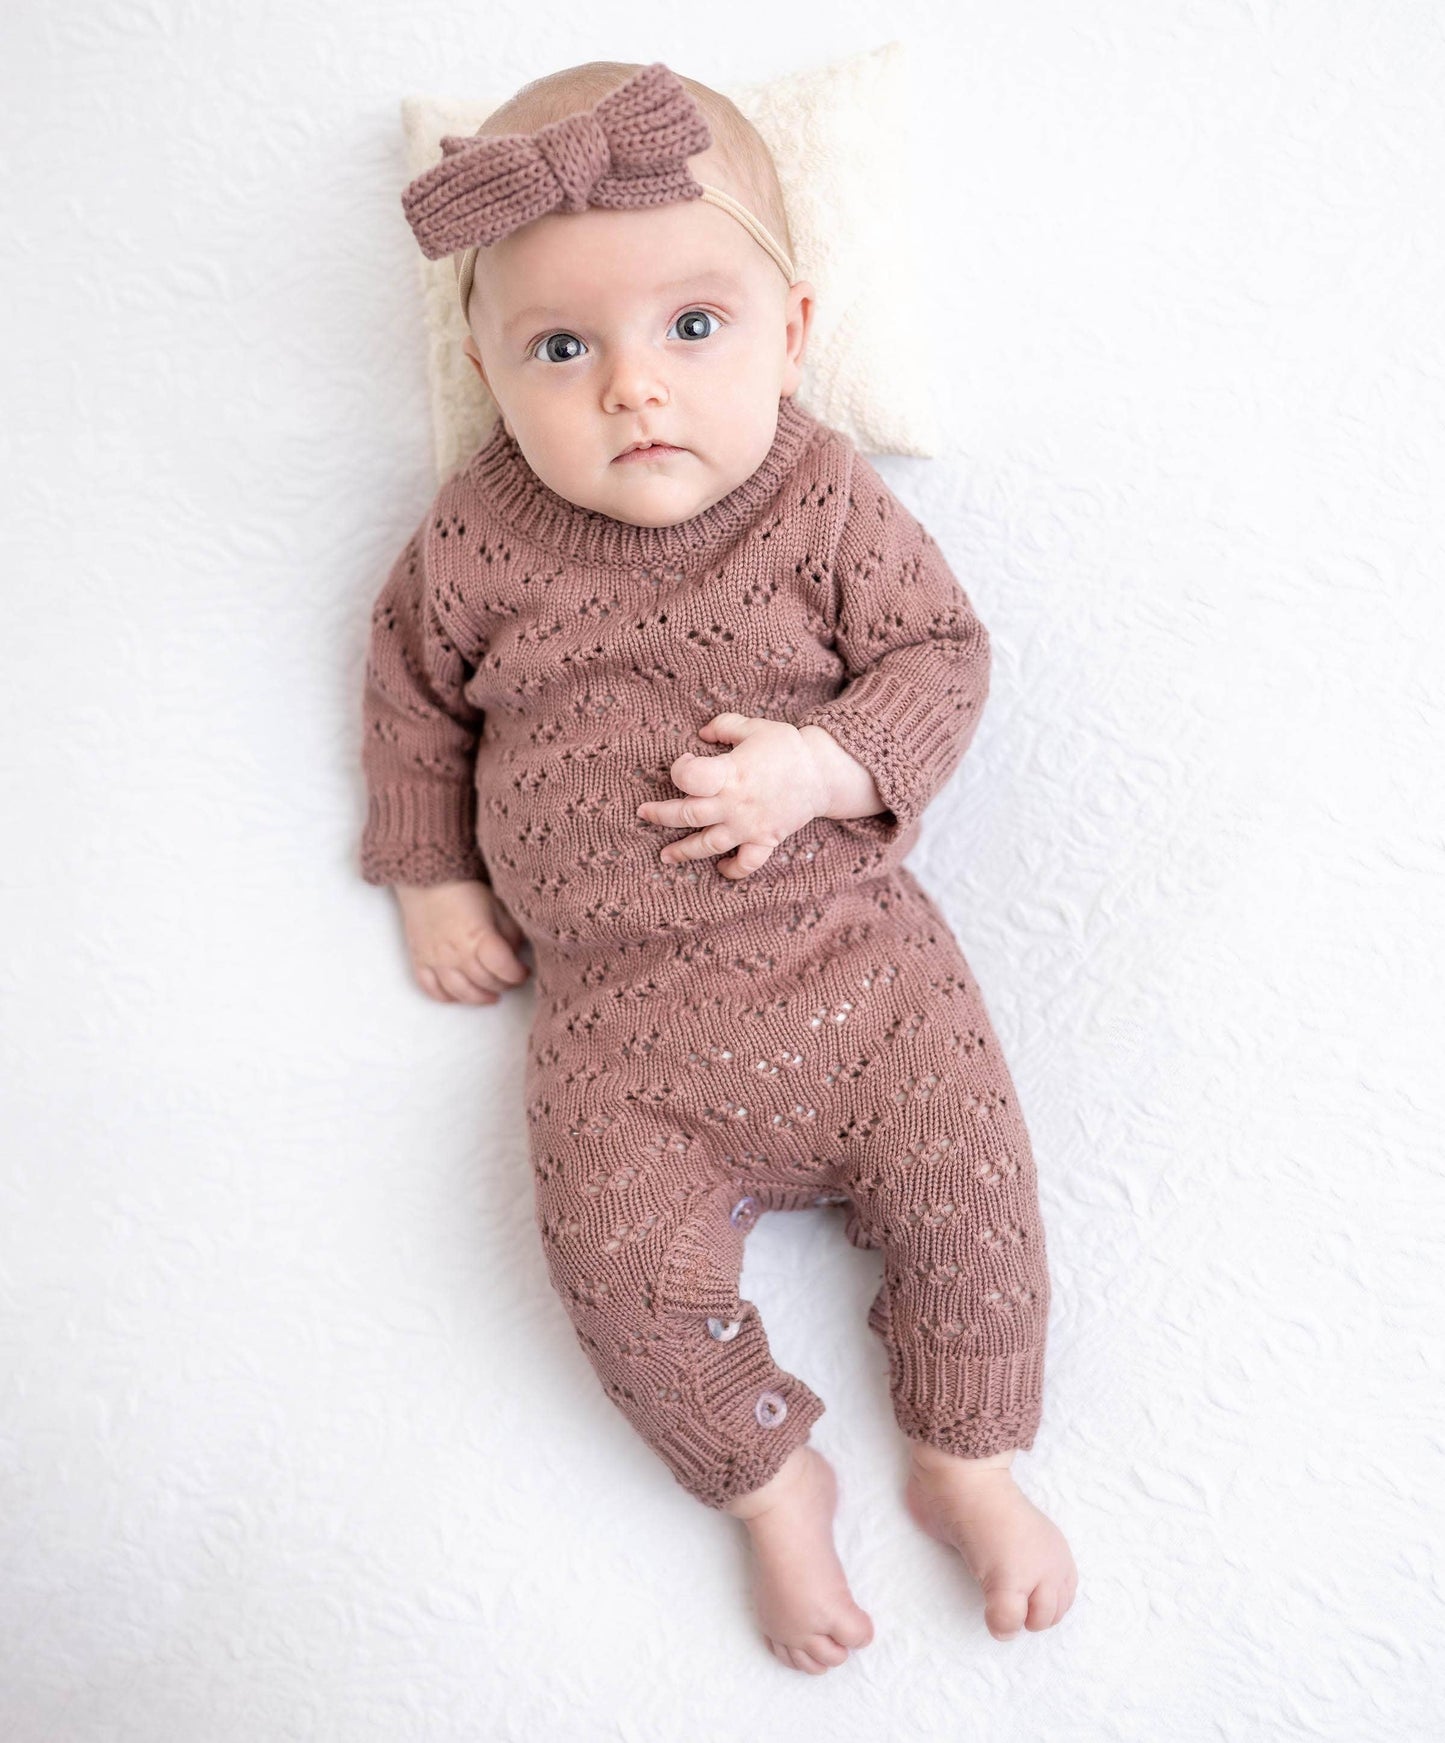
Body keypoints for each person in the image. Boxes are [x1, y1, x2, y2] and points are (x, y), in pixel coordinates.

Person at [359, 59, 1077, 1674]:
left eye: (694, 327)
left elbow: (940, 655)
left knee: (977, 1213)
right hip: (622, 1041)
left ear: (793, 335)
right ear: (484, 365)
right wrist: (431, 875)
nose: (635, 389)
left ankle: (971, 1460)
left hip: (865, 980)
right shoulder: (469, 544)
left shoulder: (816, 495)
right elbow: (408, 702)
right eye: (564, 347)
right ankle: (767, 1480)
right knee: (613, 1273)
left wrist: (825, 763)